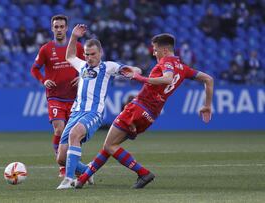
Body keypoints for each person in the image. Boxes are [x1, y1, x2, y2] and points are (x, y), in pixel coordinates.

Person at [75, 33, 214, 189]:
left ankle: (143, 173)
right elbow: (208, 79)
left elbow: (168, 78)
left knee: (109, 145)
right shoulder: (184, 68)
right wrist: (207, 105)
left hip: (138, 108)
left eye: (155, 50)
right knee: (111, 145)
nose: (153, 53)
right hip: (151, 116)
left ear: (165, 50)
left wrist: (140, 78)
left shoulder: (167, 61)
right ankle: (82, 179)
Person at [56, 24, 141, 189]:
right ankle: (88, 171)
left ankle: (68, 179)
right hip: (76, 113)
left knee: (75, 134)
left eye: (92, 54)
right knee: (61, 157)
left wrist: (134, 71)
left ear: (100, 53)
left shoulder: (108, 67)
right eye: (87, 54)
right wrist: (73, 37)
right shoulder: (82, 66)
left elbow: (132, 69)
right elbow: (70, 56)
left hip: (93, 113)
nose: (89, 58)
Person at [30, 15, 85, 177]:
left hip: (75, 98)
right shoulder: (46, 49)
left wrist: (82, 76)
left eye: (62, 27)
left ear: (67, 28)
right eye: (56, 27)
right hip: (55, 97)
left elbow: (88, 66)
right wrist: (44, 80)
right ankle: (62, 166)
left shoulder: (78, 47)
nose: (59, 29)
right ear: (52, 28)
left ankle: (76, 167)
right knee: (59, 129)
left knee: (74, 136)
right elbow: (34, 69)